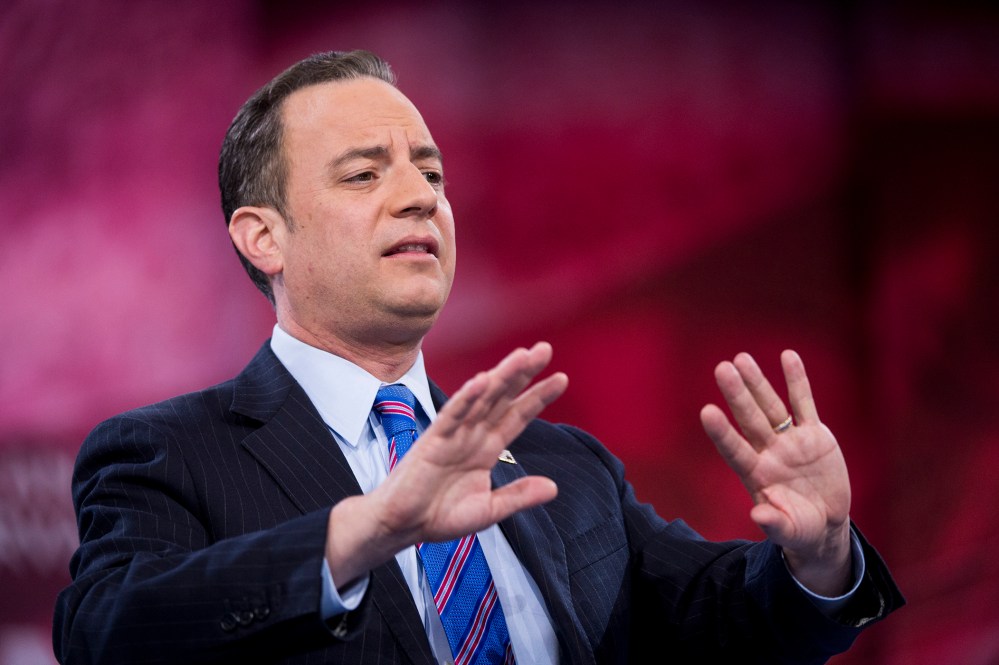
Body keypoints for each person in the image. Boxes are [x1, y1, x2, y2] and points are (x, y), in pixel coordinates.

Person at [53, 50, 904, 664]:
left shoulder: (561, 465)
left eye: (431, 171)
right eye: (362, 174)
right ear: (264, 236)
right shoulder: (168, 451)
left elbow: (721, 622)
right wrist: (366, 530)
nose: (421, 193)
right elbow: (110, 632)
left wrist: (820, 553)